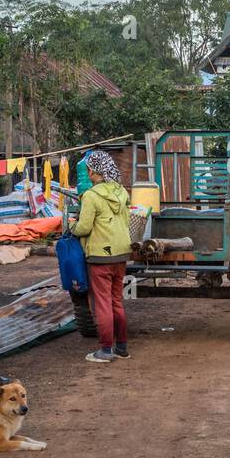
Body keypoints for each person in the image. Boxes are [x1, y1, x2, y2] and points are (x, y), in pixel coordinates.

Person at [70, 150, 131, 363]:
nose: (87, 173)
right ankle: (121, 347)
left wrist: (72, 226)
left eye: (89, 169)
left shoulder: (91, 196)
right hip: (121, 253)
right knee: (116, 300)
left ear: (95, 171)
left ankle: (105, 350)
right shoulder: (122, 192)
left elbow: (84, 227)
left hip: (100, 256)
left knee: (102, 303)